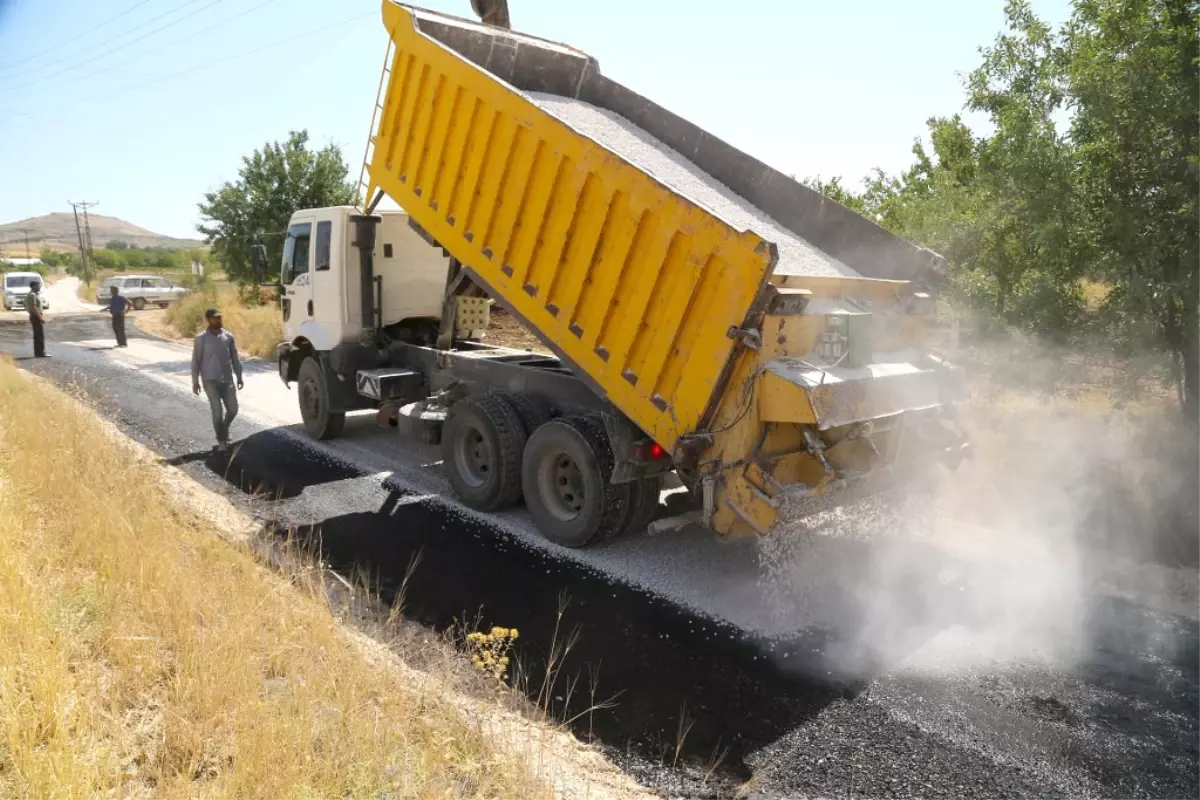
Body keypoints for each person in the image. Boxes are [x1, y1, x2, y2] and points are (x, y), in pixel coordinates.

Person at [191, 308, 244, 452]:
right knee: (217, 411)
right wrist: (195, 381)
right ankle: (221, 440)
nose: (218, 320)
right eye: (215, 318)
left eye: (220, 317)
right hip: (209, 380)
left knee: (233, 409)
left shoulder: (228, 336)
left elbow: (235, 358)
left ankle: (224, 428)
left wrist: (239, 376)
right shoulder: (201, 338)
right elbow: (196, 360)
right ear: (208, 319)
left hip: (227, 379)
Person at [22, 278, 46, 358]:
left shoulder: (33, 294)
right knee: (39, 335)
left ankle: (39, 353)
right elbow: (33, 307)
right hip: (36, 317)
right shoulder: (32, 295)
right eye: (38, 285)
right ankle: (40, 353)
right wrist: (40, 318)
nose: (39, 287)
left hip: (35, 316)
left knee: (38, 335)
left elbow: (24, 304)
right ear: (33, 286)